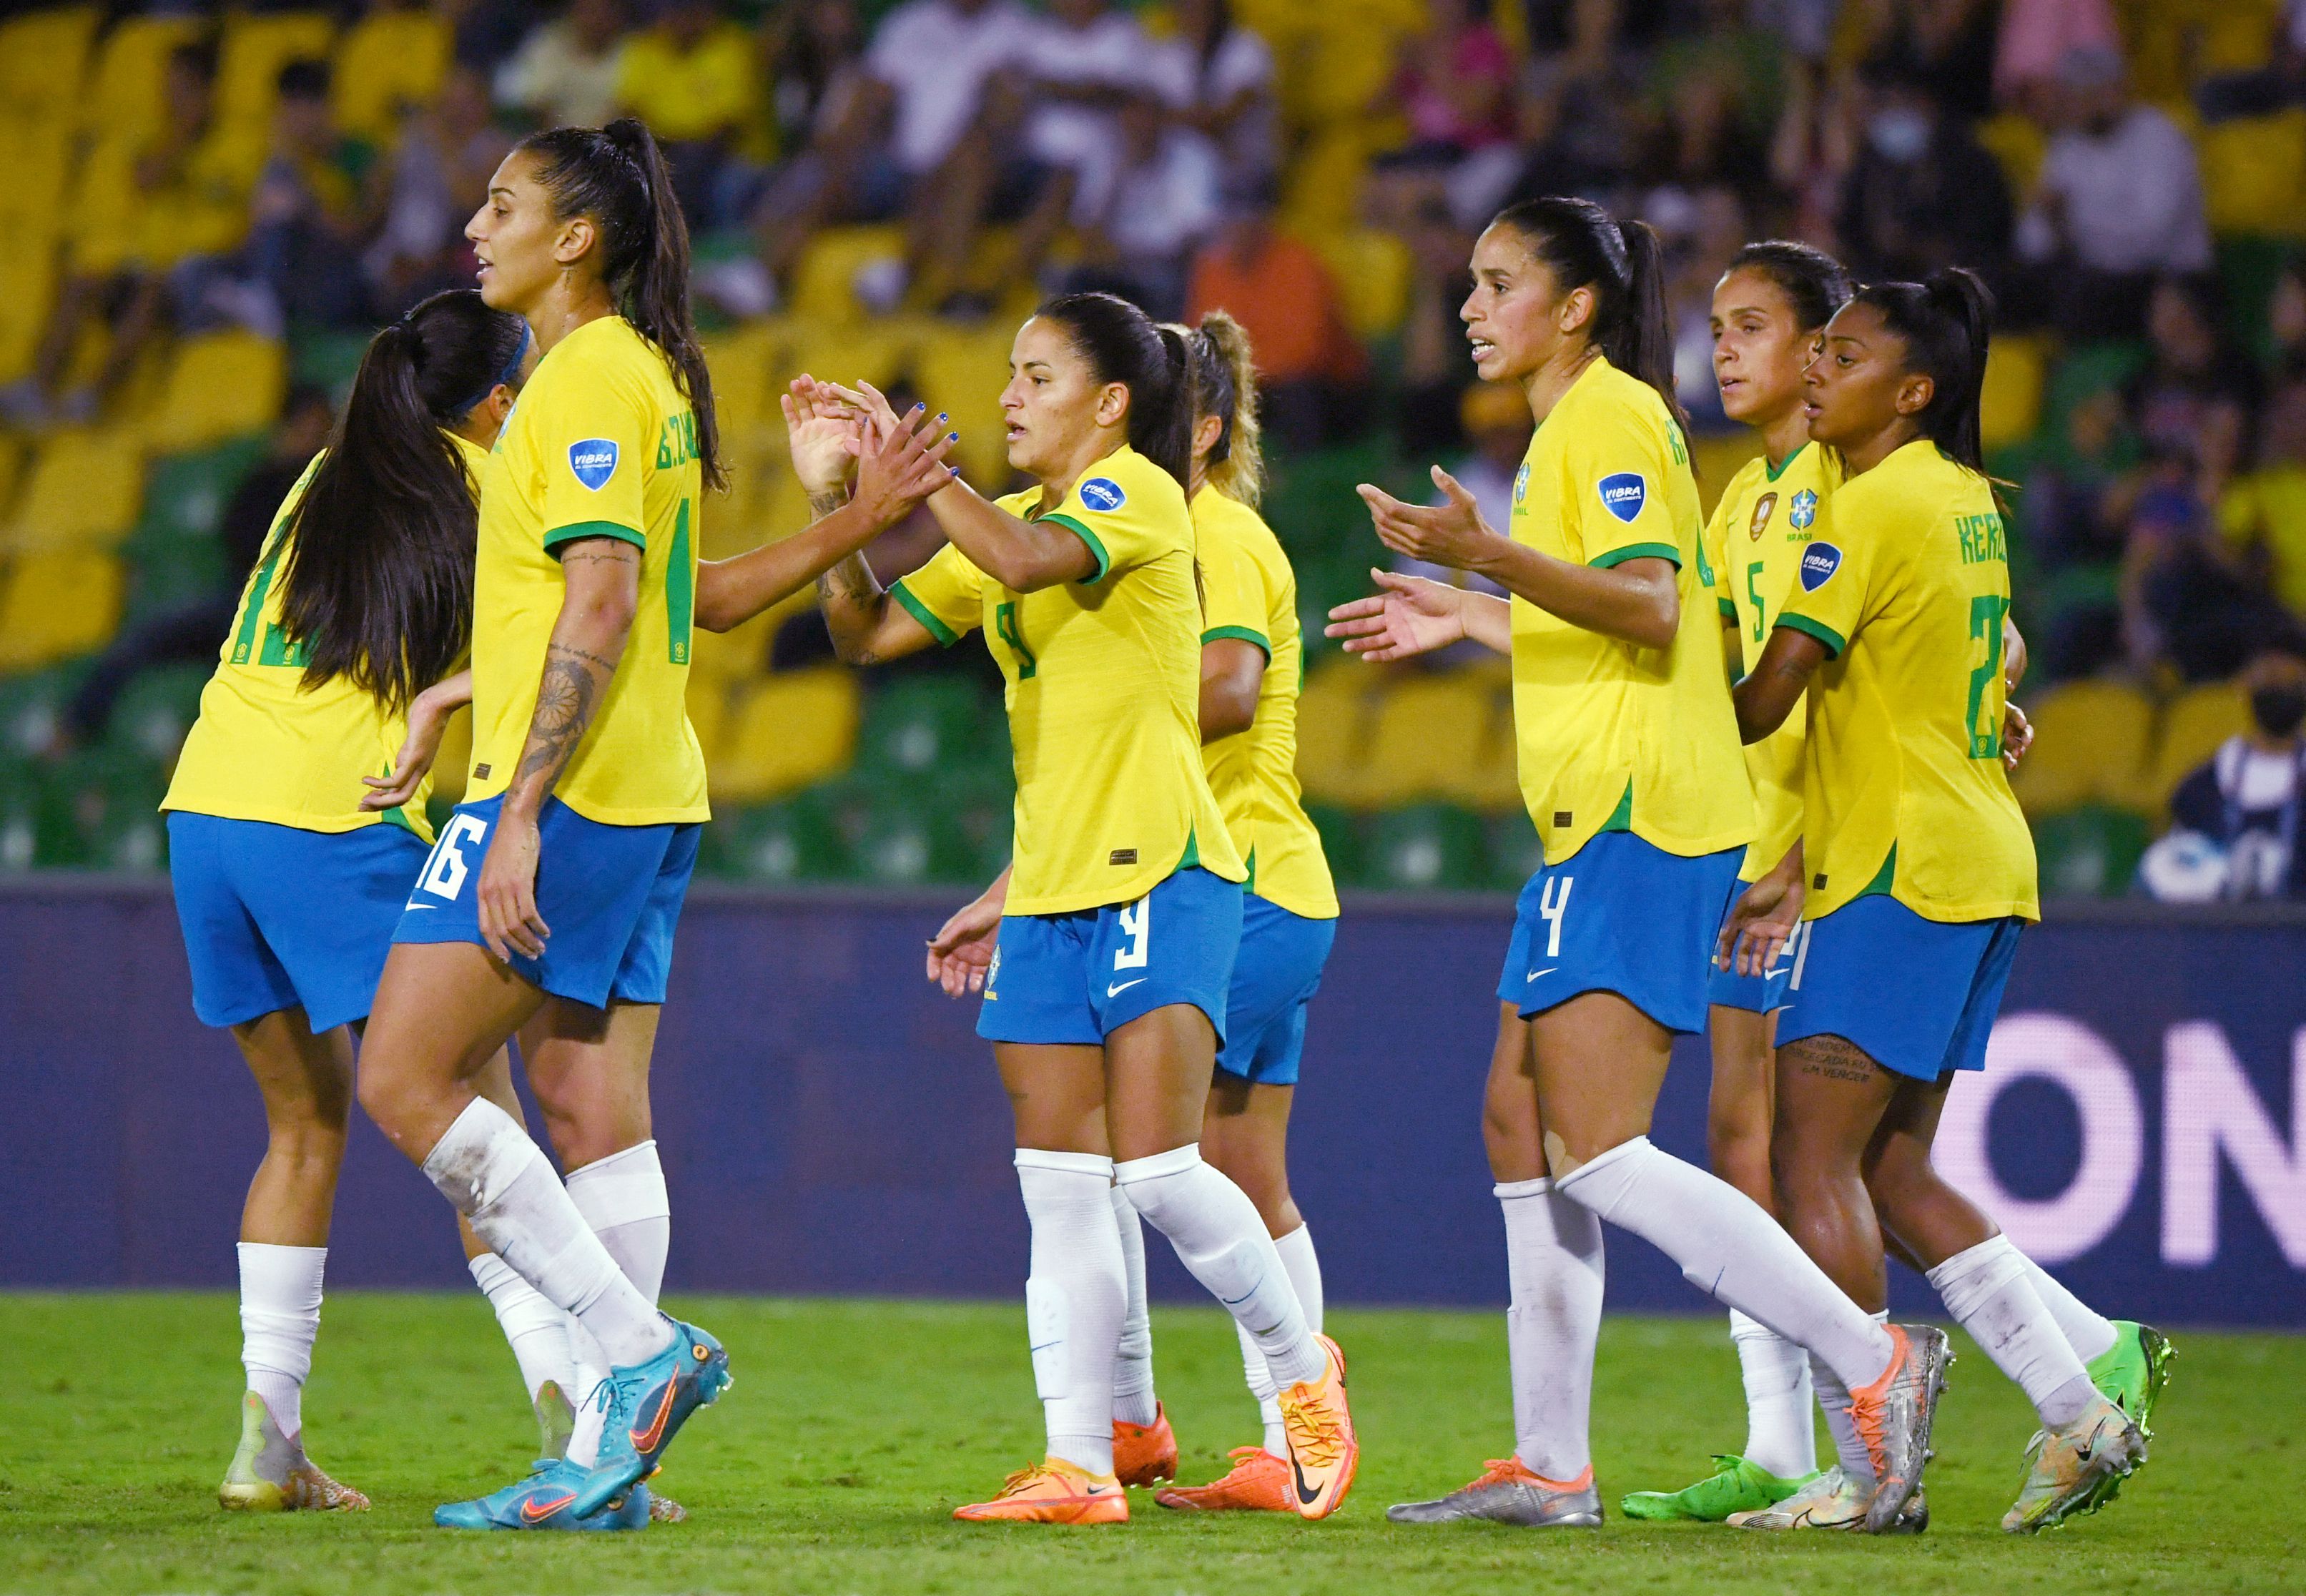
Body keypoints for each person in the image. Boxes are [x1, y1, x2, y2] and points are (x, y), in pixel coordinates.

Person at [350, 119, 955, 1532]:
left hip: (574, 792)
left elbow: (609, 605)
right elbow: (701, 601)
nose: (473, 228)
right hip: (649, 781)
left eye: (502, 206)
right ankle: (616, 1473)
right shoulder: (647, 380)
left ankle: (635, 1358)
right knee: (586, 1108)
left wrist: (516, 817)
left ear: (576, 237)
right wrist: (851, 520)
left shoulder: (581, 385)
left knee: (401, 1079)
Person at [1326, 195, 1946, 1536]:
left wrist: (1488, 553)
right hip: (1591, 812)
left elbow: (1655, 603)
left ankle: (1874, 1358)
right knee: (1518, 1120)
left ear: (1577, 308)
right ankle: (1551, 1467)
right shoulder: (1576, 426)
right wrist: (1477, 611)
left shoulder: (1605, 414)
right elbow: (1623, 627)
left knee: (1597, 1151)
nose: (1471, 308)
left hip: (1640, 811)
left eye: (1498, 284)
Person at [811, 292, 1356, 1524]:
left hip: (1166, 865)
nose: (1008, 394)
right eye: (1008, 372)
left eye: (1037, 375)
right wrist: (837, 504)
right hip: (1053, 882)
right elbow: (863, 629)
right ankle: (1081, 1464)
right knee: (1059, 1186)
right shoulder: (1011, 514)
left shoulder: (1142, 499)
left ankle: (1300, 1369)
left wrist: (912, 472)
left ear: (1110, 405)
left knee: (1163, 1170)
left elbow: (1021, 565)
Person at [1722, 268, 2167, 1535]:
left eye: (1842, 355)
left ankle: (1867, 1467)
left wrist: (1602, 665)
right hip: (1975, 858)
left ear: (1911, 390)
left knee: (1809, 1160)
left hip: (1899, 867)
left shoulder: (1862, 511)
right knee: (1891, 1163)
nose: (1816, 367)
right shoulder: (1966, 500)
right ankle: (2078, 1410)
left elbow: (1762, 701)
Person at [157, 289, 536, 1514]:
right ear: (494, 401)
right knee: (476, 1101)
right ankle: (579, 1419)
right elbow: (562, 644)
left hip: (207, 804)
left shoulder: (322, 476)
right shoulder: (481, 486)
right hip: (333, 813)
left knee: (304, 1125)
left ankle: (267, 1448)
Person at [1616, 240, 1853, 1527]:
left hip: (1815, 863)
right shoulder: (1736, 499)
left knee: (1823, 1156)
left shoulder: (1842, 485)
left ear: (1826, 350)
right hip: (1742, 848)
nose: (1724, 345)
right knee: (1743, 1143)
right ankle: (1779, 1440)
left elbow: (1951, 630)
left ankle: (1861, 1436)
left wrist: (1808, 858)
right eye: (1718, 323)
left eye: (1753, 324)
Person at [2142, 647, 2306, 902]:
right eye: (2271, 679)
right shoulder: (2198, 790)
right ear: (2245, 687)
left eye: (2292, 683)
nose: (2280, 689)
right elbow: (2172, 872)